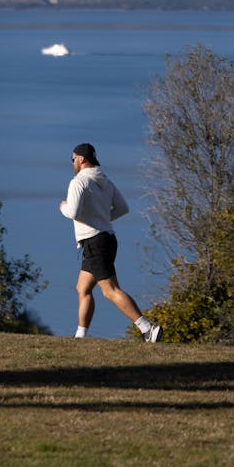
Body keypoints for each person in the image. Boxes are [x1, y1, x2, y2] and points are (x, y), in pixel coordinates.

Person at [59, 142, 162, 342]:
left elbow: (72, 212)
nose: (72, 163)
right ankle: (80, 336)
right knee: (83, 288)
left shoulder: (78, 182)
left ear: (81, 159)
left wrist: (62, 206)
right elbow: (123, 208)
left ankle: (148, 329)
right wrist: (101, 219)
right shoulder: (105, 180)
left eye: (73, 159)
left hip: (94, 241)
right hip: (106, 239)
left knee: (110, 290)